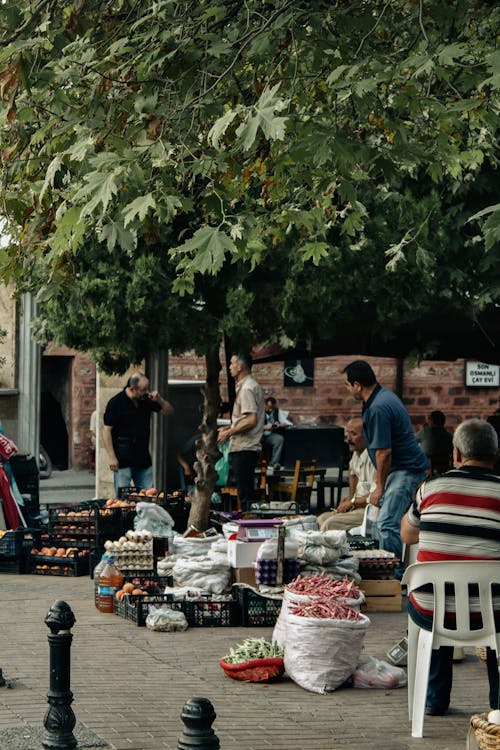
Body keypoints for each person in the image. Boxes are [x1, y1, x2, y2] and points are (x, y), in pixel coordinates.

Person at [401, 418, 500, 716]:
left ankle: (434, 699)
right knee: (487, 603)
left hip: (432, 609)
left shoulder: (430, 488)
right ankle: (497, 705)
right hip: (492, 612)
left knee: (438, 598)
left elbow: (407, 534)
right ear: (495, 455)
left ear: (456, 454)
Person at [343, 360, 428, 568]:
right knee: (378, 524)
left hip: (406, 470)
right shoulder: (377, 399)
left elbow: (383, 453)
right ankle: (384, 570)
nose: (346, 389)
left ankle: (396, 577)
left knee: (387, 523)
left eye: (347, 385)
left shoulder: (379, 406)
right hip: (398, 469)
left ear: (357, 385)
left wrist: (379, 487)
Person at [103, 372, 174, 496]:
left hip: (142, 458)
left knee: (149, 496)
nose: (146, 392)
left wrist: (160, 400)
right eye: (143, 390)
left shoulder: (145, 400)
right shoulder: (116, 403)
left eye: (147, 388)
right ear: (132, 389)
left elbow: (169, 411)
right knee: (123, 499)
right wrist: (111, 456)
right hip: (122, 458)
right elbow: (106, 430)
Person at [218, 353, 265, 510]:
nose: (229, 367)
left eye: (231, 363)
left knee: (245, 495)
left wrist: (229, 432)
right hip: (244, 446)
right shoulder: (248, 386)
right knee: (244, 492)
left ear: (240, 366)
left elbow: (251, 420)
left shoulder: (247, 388)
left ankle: (248, 525)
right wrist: (228, 428)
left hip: (245, 446)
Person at [316, 416, 376, 532]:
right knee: (321, 519)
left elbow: (375, 497)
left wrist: (352, 502)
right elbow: (353, 474)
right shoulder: (356, 453)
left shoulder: (373, 459)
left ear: (366, 437)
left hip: (369, 511)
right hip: (357, 506)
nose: (348, 439)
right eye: (347, 433)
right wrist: (351, 497)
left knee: (330, 524)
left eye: (353, 434)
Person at [415, 410, 453, 474]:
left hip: (426, 463)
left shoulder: (425, 431)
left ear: (431, 420)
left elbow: (413, 440)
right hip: (444, 464)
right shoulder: (448, 434)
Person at [261, 396, 292, 469]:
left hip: (269, 435)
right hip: (259, 435)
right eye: (269, 407)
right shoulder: (260, 412)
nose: (270, 409)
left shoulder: (276, 411)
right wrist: (264, 427)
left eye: (272, 407)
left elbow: (284, 421)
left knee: (279, 439)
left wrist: (279, 424)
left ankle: (273, 463)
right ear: (265, 405)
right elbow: (255, 425)